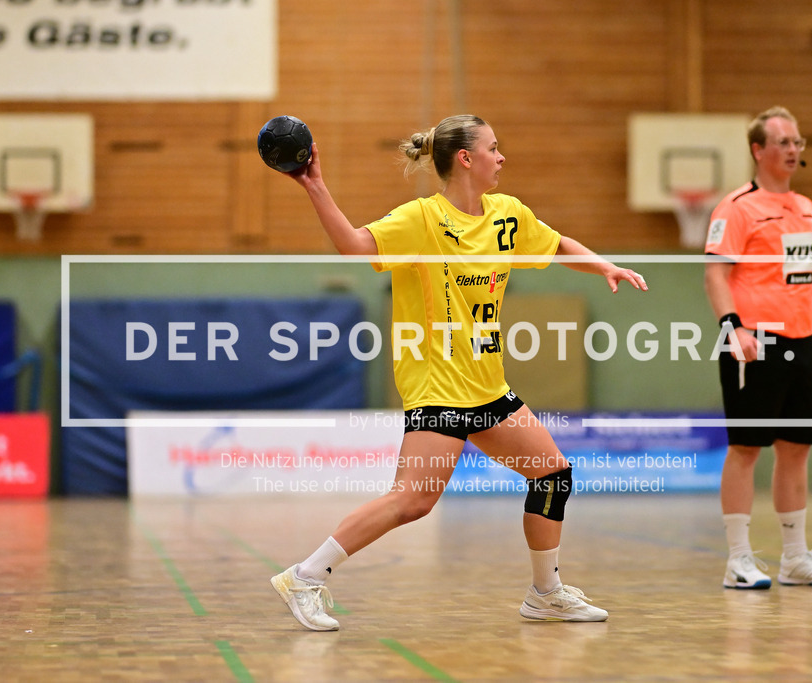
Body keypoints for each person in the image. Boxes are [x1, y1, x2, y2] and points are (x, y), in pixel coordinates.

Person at [270, 114, 648, 630]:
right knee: (413, 500)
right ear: (466, 159)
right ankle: (305, 576)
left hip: (486, 386)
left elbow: (556, 244)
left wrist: (602, 264)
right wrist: (316, 186)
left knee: (553, 473)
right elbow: (356, 246)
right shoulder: (420, 219)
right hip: (438, 384)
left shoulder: (507, 215)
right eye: (494, 148)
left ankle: (546, 593)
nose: (502, 157)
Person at [704, 106, 812, 590]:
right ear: (758, 150)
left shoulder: (806, 208)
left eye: (797, 142)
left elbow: (808, 284)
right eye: (783, 142)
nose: (792, 150)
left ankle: (795, 557)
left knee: (796, 450)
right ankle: (739, 560)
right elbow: (715, 274)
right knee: (746, 448)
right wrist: (733, 327)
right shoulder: (737, 208)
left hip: (801, 344)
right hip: (754, 343)